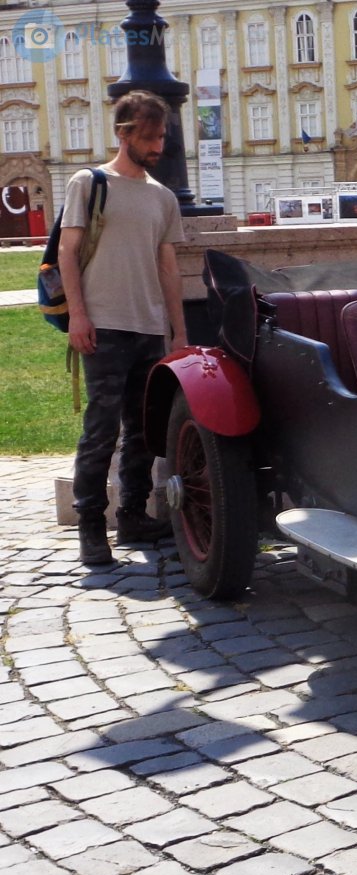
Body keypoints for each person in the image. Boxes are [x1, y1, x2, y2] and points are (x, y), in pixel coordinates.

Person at [60, 89, 187, 567]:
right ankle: (92, 526)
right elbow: (68, 253)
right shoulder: (90, 183)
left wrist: (178, 332)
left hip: (149, 329)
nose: (158, 146)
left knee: (141, 430)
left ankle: (133, 514)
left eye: (161, 137)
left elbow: (168, 267)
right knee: (100, 429)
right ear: (123, 133)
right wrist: (78, 315)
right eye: (150, 137)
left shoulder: (162, 196)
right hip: (104, 325)